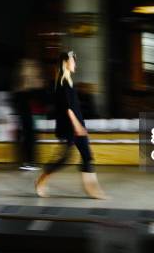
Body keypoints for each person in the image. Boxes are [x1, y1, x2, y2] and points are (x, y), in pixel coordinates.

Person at [34, 51, 107, 199]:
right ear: (65, 63)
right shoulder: (63, 83)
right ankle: (42, 179)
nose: (75, 64)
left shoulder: (69, 81)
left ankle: (92, 189)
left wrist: (80, 125)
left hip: (78, 125)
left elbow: (73, 107)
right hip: (70, 127)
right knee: (65, 158)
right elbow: (68, 109)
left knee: (87, 156)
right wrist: (77, 126)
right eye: (73, 61)